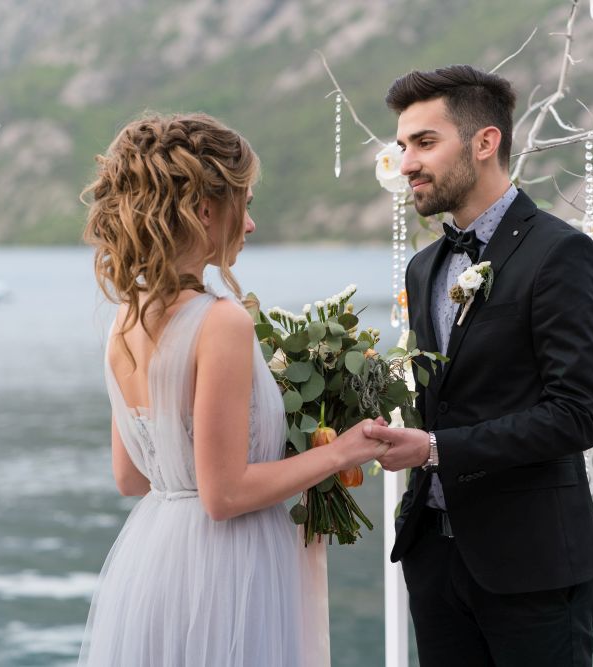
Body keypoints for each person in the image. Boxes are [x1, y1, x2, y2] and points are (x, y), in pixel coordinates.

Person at [78, 112, 386, 667]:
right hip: (229, 570)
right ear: (204, 211)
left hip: (155, 562)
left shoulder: (125, 320)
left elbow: (130, 477)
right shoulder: (220, 321)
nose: (249, 224)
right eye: (242, 201)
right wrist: (341, 451)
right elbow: (225, 496)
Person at [364, 65, 593, 666]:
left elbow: (577, 415)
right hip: (435, 562)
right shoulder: (422, 267)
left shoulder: (562, 253)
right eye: (402, 146)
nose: (406, 164)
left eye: (424, 143)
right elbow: (444, 396)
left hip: (533, 568)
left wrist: (434, 448)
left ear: (484, 142)